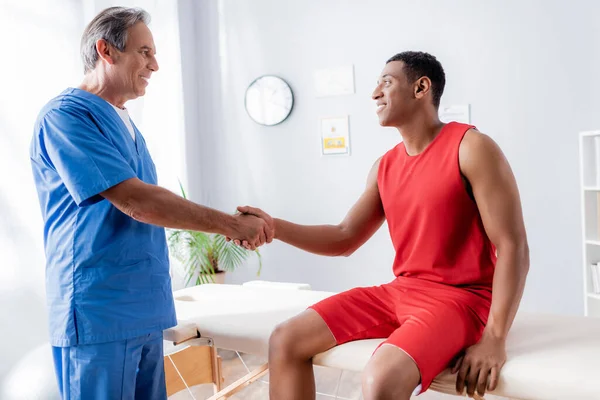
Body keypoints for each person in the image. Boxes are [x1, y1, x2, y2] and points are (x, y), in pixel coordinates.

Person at [237, 51, 529, 400]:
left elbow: (513, 246)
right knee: (285, 338)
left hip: (461, 300)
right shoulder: (384, 167)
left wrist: (494, 339)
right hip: (401, 291)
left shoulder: (471, 147)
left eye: (386, 83)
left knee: (381, 378)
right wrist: (273, 226)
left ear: (421, 88)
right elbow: (344, 238)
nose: (375, 93)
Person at [29, 7, 272, 400]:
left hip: (141, 304)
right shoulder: (66, 116)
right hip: (98, 309)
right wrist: (230, 225)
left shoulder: (125, 124)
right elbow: (136, 200)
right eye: (144, 52)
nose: (155, 65)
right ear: (106, 51)